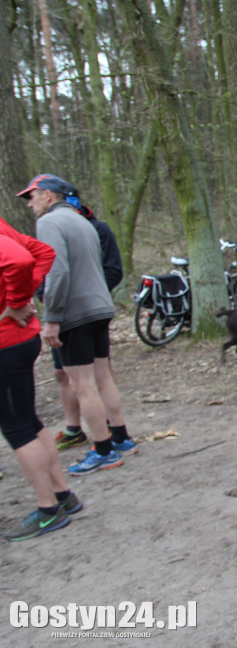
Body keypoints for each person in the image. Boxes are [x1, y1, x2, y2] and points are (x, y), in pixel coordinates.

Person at [18, 174, 136, 475]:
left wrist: (52, 318)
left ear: (48, 195)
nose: (30, 204)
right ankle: (121, 437)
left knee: (82, 385)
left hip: (75, 313)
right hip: (100, 309)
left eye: (32, 196)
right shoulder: (84, 222)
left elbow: (57, 272)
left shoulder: (49, 223)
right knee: (103, 377)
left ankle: (103, 450)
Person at [0, 214, 83, 541]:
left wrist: (16, 301)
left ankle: (48, 510)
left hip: (6, 343)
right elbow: (43, 254)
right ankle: (63, 496)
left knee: (17, 427)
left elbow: (21, 260)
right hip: (18, 340)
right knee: (29, 421)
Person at [50, 195, 124, 452]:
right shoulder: (60, 227)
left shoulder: (95, 229)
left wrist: (87, 295)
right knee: (67, 376)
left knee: (89, 380)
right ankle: (79, 430)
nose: (29, 203)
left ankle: (107, 445)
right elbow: (48, 272)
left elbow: (112, 271)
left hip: (79, 313)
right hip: (71, 312)